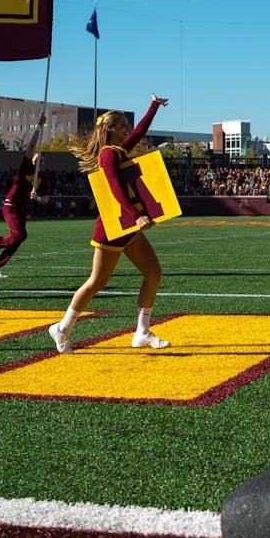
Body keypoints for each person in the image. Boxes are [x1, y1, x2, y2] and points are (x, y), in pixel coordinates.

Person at [49, 95, 171, 354]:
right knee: (97, 281)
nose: (128, 128)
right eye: (123, 124)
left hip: (127, 226)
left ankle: (142, 332)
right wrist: (136, 215)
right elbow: (116, 189)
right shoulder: (107, 154)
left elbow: (139, 132)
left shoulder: (119, 150)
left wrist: (153, 106)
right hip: (112, 227)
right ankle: (62, 327)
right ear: (111, 128)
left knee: (153, 272)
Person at [0, 114, 47, 278]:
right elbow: (32, 145)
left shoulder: (42, 178)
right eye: (37, 157)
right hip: (11, 206)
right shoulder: (25, 167)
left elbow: (46, 200)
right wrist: (39, 126)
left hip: (21, 209)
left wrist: (37, 197)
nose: (39, 159)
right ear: (32, 158)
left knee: (20, 237)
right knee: (19, 235)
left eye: (42, 159)